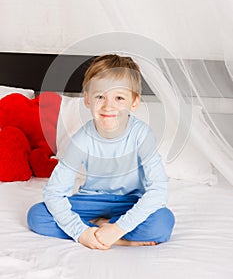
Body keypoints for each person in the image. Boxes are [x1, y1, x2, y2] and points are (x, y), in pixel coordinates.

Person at [27, 54, 175, 250]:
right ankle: (109, 237)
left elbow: (158, 190)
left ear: (134, 102)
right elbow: (54, 192)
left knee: (163, 222)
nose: (108, 106)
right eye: (100, 97)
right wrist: (79, 232)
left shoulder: (141, 135)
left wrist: (118, 227)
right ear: (87, 99)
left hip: (131, 201)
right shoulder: (82, 139)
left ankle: (109, 230)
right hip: (91, 201)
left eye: (119, 98)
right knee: (37, 215)